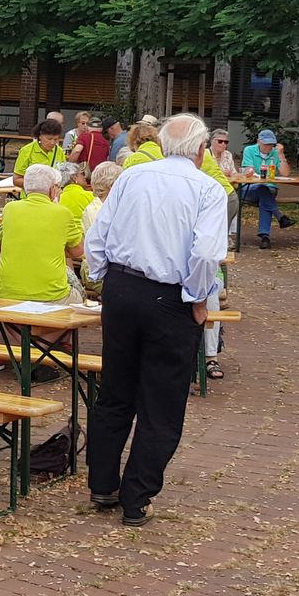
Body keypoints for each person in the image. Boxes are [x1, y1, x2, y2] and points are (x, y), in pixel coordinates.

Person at [83, 113, 228, 525]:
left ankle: (104, 482)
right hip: (170, 297)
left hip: (123, 289)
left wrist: (102, 277)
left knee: (115, 389)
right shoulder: (207, 189)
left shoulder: (132, 177)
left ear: (163, 145)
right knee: (160, 402)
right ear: (201, 150)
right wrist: (199, 298)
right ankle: (136, 496)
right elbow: (204, 255)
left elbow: (99, 235)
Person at [0, 163, 82, 306]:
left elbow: (2, 246)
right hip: (51, 295)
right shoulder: (62, 213)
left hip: (6, 292)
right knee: (78, 293)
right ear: (53, 189)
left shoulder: (9, 209)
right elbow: (77, 251)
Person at [240, 129, 290, 247]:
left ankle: (265, 237)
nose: (269, 147)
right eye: (266, 144)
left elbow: (286, 173)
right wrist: (250, 172)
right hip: (250, 188)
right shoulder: (249, 150)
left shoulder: (275, 153)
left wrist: (281, 155)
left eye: (271, 144)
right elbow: (248, 169)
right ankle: (277, 220)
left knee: (265, 194)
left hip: (269, 189)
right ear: (258, 141)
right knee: (263, 190)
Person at [58, 161, 95, 233]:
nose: (85, 177)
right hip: (84, 236)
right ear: (74, 178)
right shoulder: (90, 196)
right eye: (82, 174)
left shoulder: (57, 198)